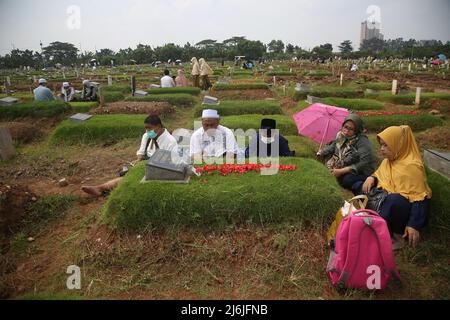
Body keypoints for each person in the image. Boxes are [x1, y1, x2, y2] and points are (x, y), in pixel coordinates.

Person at [355, 126, 432, 250]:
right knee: (360, 185)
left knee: (393, 200)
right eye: (381, 145)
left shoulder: (412, 167)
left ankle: (398, 237)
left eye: (386, 145)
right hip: (386, 202)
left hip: (403, 211)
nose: (382, 149)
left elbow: (420, 198)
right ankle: (377, 226)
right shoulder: (389, 160)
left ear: (398, 144)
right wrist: (372, 178)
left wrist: (414, 224)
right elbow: (379, 175)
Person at [81, 115, 179, 197]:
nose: (148, 131)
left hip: (160, 167)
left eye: (150, 128)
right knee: (126, 172)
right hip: (145, 163)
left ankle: (101, 188)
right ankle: (103, 188)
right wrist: (137, 160)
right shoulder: (147, 136)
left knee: (131, 178)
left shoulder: (170, 141)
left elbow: (171, 162)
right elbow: (142, 152)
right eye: (146, 128)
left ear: (158, 126)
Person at [317, 114, 376, 194]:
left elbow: (364, 163)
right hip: (345, 162)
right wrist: (322, 152)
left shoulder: (362, 142)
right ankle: (337, 174)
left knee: (346, 180)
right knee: (327, 157)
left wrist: (342, 170)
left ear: (357, 130)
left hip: (360, 169)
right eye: (345, 127)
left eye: (351, 129)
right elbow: (333, 146)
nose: (346, 131)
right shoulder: (341, 135)